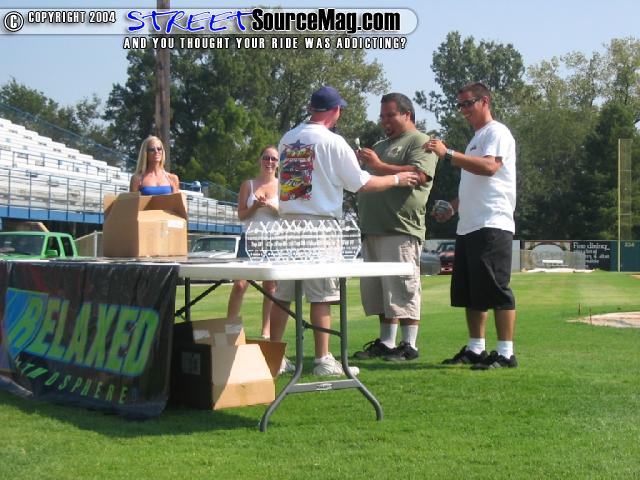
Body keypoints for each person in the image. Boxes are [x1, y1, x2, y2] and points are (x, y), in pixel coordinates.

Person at [269, 85, 420, 376]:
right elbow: (361, 183)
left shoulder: (288, 138)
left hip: (287, 224)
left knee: (283, 294)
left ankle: (275, 356)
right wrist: (398, 179)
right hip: (319, 225)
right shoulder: (333, 141)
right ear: (336, 110)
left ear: (312, 109)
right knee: (322, 295)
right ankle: (323, 359)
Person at [425, 82, 518, 370]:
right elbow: (473, 185)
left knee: (496, 289)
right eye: (460, 105)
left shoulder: (497, 132)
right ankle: (476, 348)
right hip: (469, 225)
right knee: (471, 292)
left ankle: (505, 354)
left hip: (492, 222)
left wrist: (448, 154)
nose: (463, 109)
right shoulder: (476, 139)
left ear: (484, 101)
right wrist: (452, 208)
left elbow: (490, 167)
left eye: (468, 103)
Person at [354, 93, 438, 362]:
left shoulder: (421, 141)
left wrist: (378, 165)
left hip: (400, 228)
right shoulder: (381, 145)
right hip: (373, 228)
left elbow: (419, 175)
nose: (385, 121)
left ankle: (409, 345)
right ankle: (386, 342)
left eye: (390, 115)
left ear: (407, 114)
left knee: (403, 288)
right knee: (379, 292)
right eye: (382, 116)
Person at [226, 146, 280, 339]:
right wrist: (255, 206)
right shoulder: (248, 185)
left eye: (273, 159)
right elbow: (241, 215)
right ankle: (230, 329)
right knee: (240, 285)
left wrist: (271, 206)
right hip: (249, 240)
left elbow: (286, 215)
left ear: (278, 163)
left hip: (273, 240)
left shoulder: (283, 186)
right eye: (266, 158)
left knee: (270, 288)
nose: (269, 162)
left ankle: (266, 331)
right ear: (260, 160)